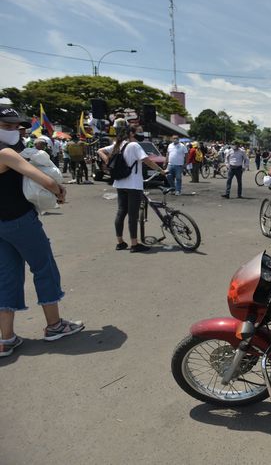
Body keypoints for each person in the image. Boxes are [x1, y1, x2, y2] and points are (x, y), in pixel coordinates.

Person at [0, 107, 83, 357]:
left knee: (7, 277)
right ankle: (55, 325)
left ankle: (6, 339)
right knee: (44, 267)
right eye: (7, 125)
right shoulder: (5, 153)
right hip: (19, 220)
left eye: (16, 126)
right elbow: (43, 180)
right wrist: (59, 191)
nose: (14, 130)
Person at [97, 125, 166, 253]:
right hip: (133, 184)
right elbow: (147, 161)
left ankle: (120, 242)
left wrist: (106, 159)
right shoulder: (134, 146)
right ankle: (135, 244)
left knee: (121, 212)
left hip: (120, 183)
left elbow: (100, 150)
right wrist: (161, 171)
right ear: (131, 134)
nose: (138, 134)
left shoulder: (118, 145)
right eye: (137, 132)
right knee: (132, 215)